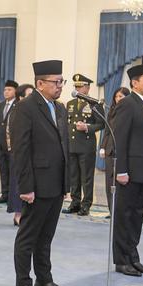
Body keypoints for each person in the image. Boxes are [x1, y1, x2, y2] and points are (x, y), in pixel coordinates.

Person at [12, 60, 71, 286]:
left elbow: (63, 146)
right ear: (40, 83)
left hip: (56, 183)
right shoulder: (25, 108)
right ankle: (23, 283)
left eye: (61, 81)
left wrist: (66, 184)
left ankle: (44, 279)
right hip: (36, 184)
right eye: (55, 82)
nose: (60, 86)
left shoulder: (60, 108)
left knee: (46, 236)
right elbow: (21, 150)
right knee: (28, 236)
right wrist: (26, 187)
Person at [112, 65, 143, 277]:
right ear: (134, 83)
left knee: (137, 215)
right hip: (129, 171)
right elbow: (120, 139)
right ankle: (122, 261)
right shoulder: (127, 104)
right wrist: (121, 169)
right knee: (124, 216)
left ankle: (133, 257)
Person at [62, 74, 105, 216]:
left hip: (86, 146)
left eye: (80, 86)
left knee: (86, 177)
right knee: (74, 176)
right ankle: (75, 202)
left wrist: (87, 127)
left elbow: (101, 124)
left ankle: (86, 204)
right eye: (76, 86)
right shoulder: (70, 104)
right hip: (72, 145)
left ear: (87, 88)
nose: (77, 89)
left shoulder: (95, 104)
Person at [6, 83, 34, 226]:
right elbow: (12, 135)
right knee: (18, 184)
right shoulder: (17, 111)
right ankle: (18, 214)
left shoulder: (32, 111)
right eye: (29, 95)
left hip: (32, 155)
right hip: (19, 154)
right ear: (21, 98)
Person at [100, 87, 130, 217]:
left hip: (122, 152)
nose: (118, 99)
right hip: (110, 150)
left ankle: (119, 210)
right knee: (109, 181)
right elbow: (107, 131)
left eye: (121, 96)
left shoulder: (130, 111)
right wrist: (103, 147)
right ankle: (111, 209)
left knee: (120, 183)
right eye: (116, 97)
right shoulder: (111, 111)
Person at [0, 80, 19, 205]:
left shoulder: (18, 105)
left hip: (12, 144)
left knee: (12, 170)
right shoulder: (1, 105)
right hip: (1, 143)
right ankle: (4, 194)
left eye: (9, 90)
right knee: (3, 170)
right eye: (5, 90)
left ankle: (12, 196)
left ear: (15, 91)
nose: (6, 92)